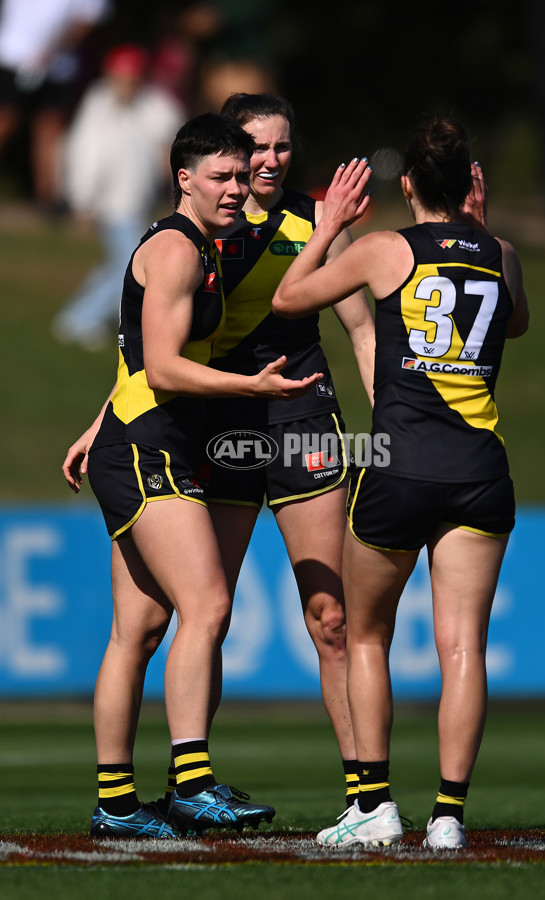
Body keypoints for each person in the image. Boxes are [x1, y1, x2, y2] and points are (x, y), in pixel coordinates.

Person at [62, 112, 324, 838]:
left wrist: (95, 425)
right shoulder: (179, 250)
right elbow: (162, 365)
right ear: (185, 178)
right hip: (150, 452)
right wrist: (253, 390)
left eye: (243, 175)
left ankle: (116, 804)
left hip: (137, 439)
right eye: (222, 176)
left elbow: (133, 356)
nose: (238, 187)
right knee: (207, 606)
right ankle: (191, 785)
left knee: (139, 631)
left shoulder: (201, 245)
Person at [272, 117, 529, 849]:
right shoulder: (502, 254)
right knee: (463, 649)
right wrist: (482, 231)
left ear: (408, 184)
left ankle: (376, 806)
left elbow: (290, 299)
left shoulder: (386, 250)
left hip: (398, 466)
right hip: (480, 472)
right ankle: (448, 816)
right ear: (471, 184)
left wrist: (326, 228)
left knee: (366, 639)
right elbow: (515, 324)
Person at [203, 92, 375, 810]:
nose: (269, 161)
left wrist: (397, 417)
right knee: (207, 609)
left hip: (305, 419)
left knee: (332, 617)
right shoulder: (202, 224)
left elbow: (361, 329)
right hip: (222, 423)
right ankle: (193, 781)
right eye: (255, 148)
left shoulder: (315, 220)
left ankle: (367, 794)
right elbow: (151, 335)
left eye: (281, 147)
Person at [52, 43, 184, 351]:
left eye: (133, 77)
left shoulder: (152, 103)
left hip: (139, 201)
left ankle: (80, 316)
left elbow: (173, 135)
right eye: (121, 77)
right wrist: (82, 198)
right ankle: (82, 318)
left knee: (118, 263)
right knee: (131, 264)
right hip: (111, 203)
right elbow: (86, 154)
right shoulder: (98, 104)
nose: (127, 84)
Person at [0, 0, 110, 211]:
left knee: (50, 129)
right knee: (5, 121)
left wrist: (52, 50)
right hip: (11, 57)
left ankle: (48, 198)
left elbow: (87, 19)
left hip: (58, 67)